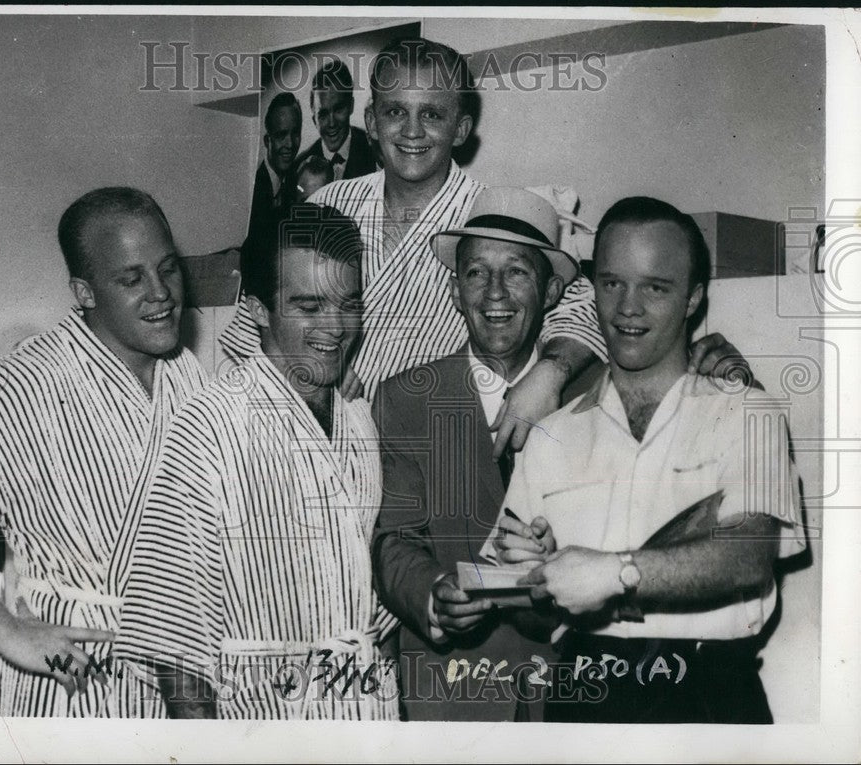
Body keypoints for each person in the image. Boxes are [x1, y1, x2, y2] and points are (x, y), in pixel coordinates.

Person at [222, 37, 741, 458]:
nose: (412, 131)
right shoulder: (329, 204)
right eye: (396, 112)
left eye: (433, 115)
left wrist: (549, 374)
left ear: (461, 128)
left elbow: (581, 306)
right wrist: (304, 374)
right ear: (372, 123)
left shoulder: (490, 216)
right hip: (315, 442)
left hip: (434, 452)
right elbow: (252, 323)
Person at [490, 197, 806, 724]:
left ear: (692, 299)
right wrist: (530, 580)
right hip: (585, 695)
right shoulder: (552, 434)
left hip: (708, 696)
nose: (628, 307)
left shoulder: (747, 411)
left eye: (655, 287)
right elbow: (529, 621)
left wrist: (617, 572)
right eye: (612, 283)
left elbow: (746, 556)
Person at [0, 187, 207, 717]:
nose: (162, 293)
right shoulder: (26, 385)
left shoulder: (187, 376)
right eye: (131, 278)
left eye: (168, 269)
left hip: (182, 686)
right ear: (85, 292)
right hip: (72, 684)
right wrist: (10, 634)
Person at [116, 204, 399, 720]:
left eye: (348, 303)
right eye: (309, 307)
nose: (335, 329)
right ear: (258, 310)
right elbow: (175, 648)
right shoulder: (210, 426)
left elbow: (378, 619)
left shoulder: (358, 417)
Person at [372, 187, 601, 721]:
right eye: (476, 272)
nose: (494, 292)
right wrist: (433, 594)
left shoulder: (593, 399)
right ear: (455, 290)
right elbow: (393, 539)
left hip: (566, 697)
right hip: (450, 699)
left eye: (517, 271)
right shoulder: (406, 398)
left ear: (550, 292)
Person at [296, 59, 378, 183]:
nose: (332, 123)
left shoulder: (375, 153)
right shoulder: (298, 167)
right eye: (323, 115)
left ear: (351, 106)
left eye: (338, 110)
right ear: (314, 120)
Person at [247, 92, 302, 243]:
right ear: (267, 140)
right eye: (281, 135)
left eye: (295, 133)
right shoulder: (252, 189)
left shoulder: (296, 184)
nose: (290, 144)